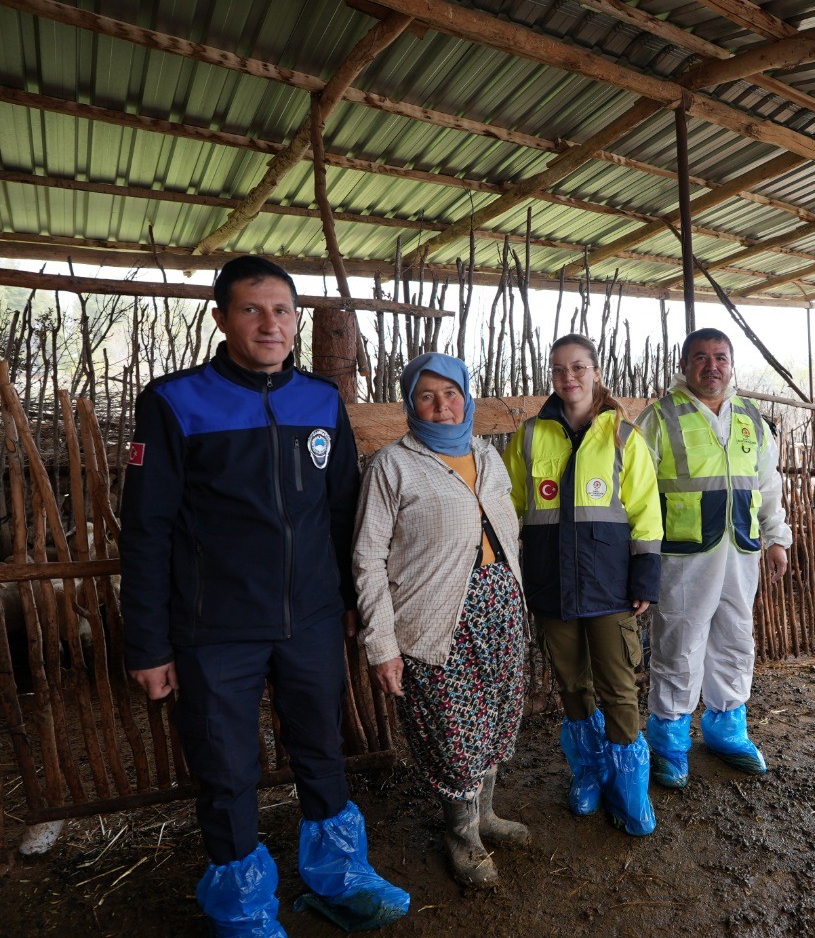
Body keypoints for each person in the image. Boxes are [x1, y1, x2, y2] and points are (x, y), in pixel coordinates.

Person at [120, 256, 409, 937]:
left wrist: (343, 600)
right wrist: (148, 643)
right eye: (251, 309)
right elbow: (147, 529)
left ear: (296, 319)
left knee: (320, 748)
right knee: (225, 768)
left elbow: (342, 512)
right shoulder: (174, 402)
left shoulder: (319, 400)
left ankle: (339, 877)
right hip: (213, 627)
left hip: (309, 617)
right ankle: (244, 910)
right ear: (221, 318)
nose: (269, 323)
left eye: (281, 310)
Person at [352, 352, 527, 887]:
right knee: (453, 735)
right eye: (427, 396)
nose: (441, 405)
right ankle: (462, 837)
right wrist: (381, 645)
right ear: (411, 404)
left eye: (450, 393)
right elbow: (367, 558)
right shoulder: (392, 466)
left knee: (496, 719)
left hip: (500, 609)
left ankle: (487, 816)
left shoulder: (488, 456)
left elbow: (507, 533)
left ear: (467, 397)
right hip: (434, 621)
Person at [502, 334, 661, 837]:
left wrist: (645, 579)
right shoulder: (528, 437)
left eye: (578, 368)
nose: (568, 377)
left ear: (595, 372)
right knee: (572, 686)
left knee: (618, 688)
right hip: (552, 587)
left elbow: (646, 516)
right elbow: (509, 511)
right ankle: (589, 772)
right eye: (558, 369)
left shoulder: (623, 437)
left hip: (609, 588)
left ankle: (630, 790)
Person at [635, 328, 792, 788]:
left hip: (741, 551)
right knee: (679, 643)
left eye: (720, 357)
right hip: (683, 556)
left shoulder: (750, 419)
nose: (711, 366)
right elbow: (637, 493)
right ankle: (669, 741)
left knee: (736, 637)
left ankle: (727, 730)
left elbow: (768, 486)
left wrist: (776, 537)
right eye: (700, 357)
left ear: (731, 364)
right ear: (684, 366)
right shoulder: (659, 418)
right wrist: (639, 556)